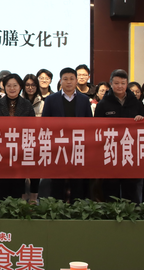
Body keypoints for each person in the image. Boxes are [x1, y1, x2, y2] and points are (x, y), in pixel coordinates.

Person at [41, 67, 93, 202]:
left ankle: (77, 208)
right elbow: (45, 123)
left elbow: (90, 124)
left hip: (78, 146)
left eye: (71, 79)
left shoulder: (84, 100)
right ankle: (57, 208)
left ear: (76, 81)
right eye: (65, 79)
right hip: (58, 147)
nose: (68, 82)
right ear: (60, 81)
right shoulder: (51, 99)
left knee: (77, 182)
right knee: (57, 182)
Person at [94, 69, 144, 203]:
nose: (120, 86)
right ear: (111, 83)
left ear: (127, 84)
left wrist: (141, 119)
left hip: (131, 151)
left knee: (131, 188)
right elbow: (97, 127)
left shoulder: (136, 103)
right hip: (111, 151)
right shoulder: (103, 104)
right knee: (111, 188)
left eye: (123, 83)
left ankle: (131, 213)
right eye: (116, 83)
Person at [0, 73, 36, 200]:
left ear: (20, 87)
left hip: (19, 151)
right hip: (1, 151)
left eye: (15, 85)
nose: (12, 88)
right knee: (1, 186)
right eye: (8, 85)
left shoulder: (27, 105)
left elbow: (32, 128)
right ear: (4, 87)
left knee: (18, 185)